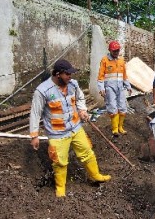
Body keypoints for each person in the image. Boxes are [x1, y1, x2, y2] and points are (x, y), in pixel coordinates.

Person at [30, 59, 111, 197]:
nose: (70, 76)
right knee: (59, 161)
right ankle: (60, 188)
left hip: (75, 127)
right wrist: (34, 135)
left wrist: (82, 110)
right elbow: (35, 112)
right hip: (57, 134)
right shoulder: (43, 91)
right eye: (67, 74)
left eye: (70, 74)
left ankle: (95, 176)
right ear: (57, 74)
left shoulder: (73, 84)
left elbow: (80, 98)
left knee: (87, 152)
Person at [97, 41, 132, 138]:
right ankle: (115, 128)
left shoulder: (121, 61)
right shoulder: (105, 60)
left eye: (117, 50)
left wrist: (128, 86)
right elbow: (100, 75)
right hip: (109, 88)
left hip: (120, 88)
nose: (116, 52)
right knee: (112, 107)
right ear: (110, 50)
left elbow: (124, 76)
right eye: (114, 51)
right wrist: (101, 87)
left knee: (122, 107)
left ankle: (121, 127)